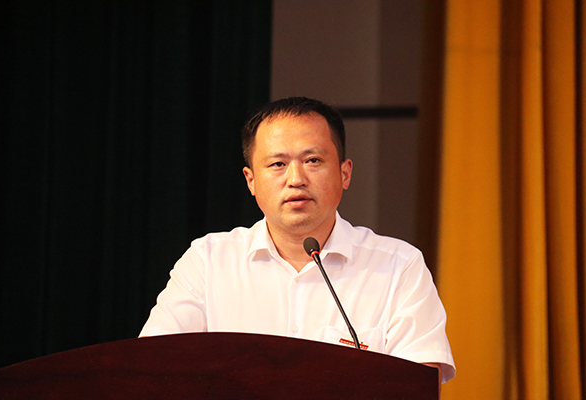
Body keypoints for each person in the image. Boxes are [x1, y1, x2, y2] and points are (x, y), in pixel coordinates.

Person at [140, 97, 455, 384]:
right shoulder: (208, 262)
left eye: (313, 161)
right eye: (278, 164)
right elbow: (150, 369)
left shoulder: (398, 267)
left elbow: (418, 385)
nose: (296, 179)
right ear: (251, 180)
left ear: (345, 173)